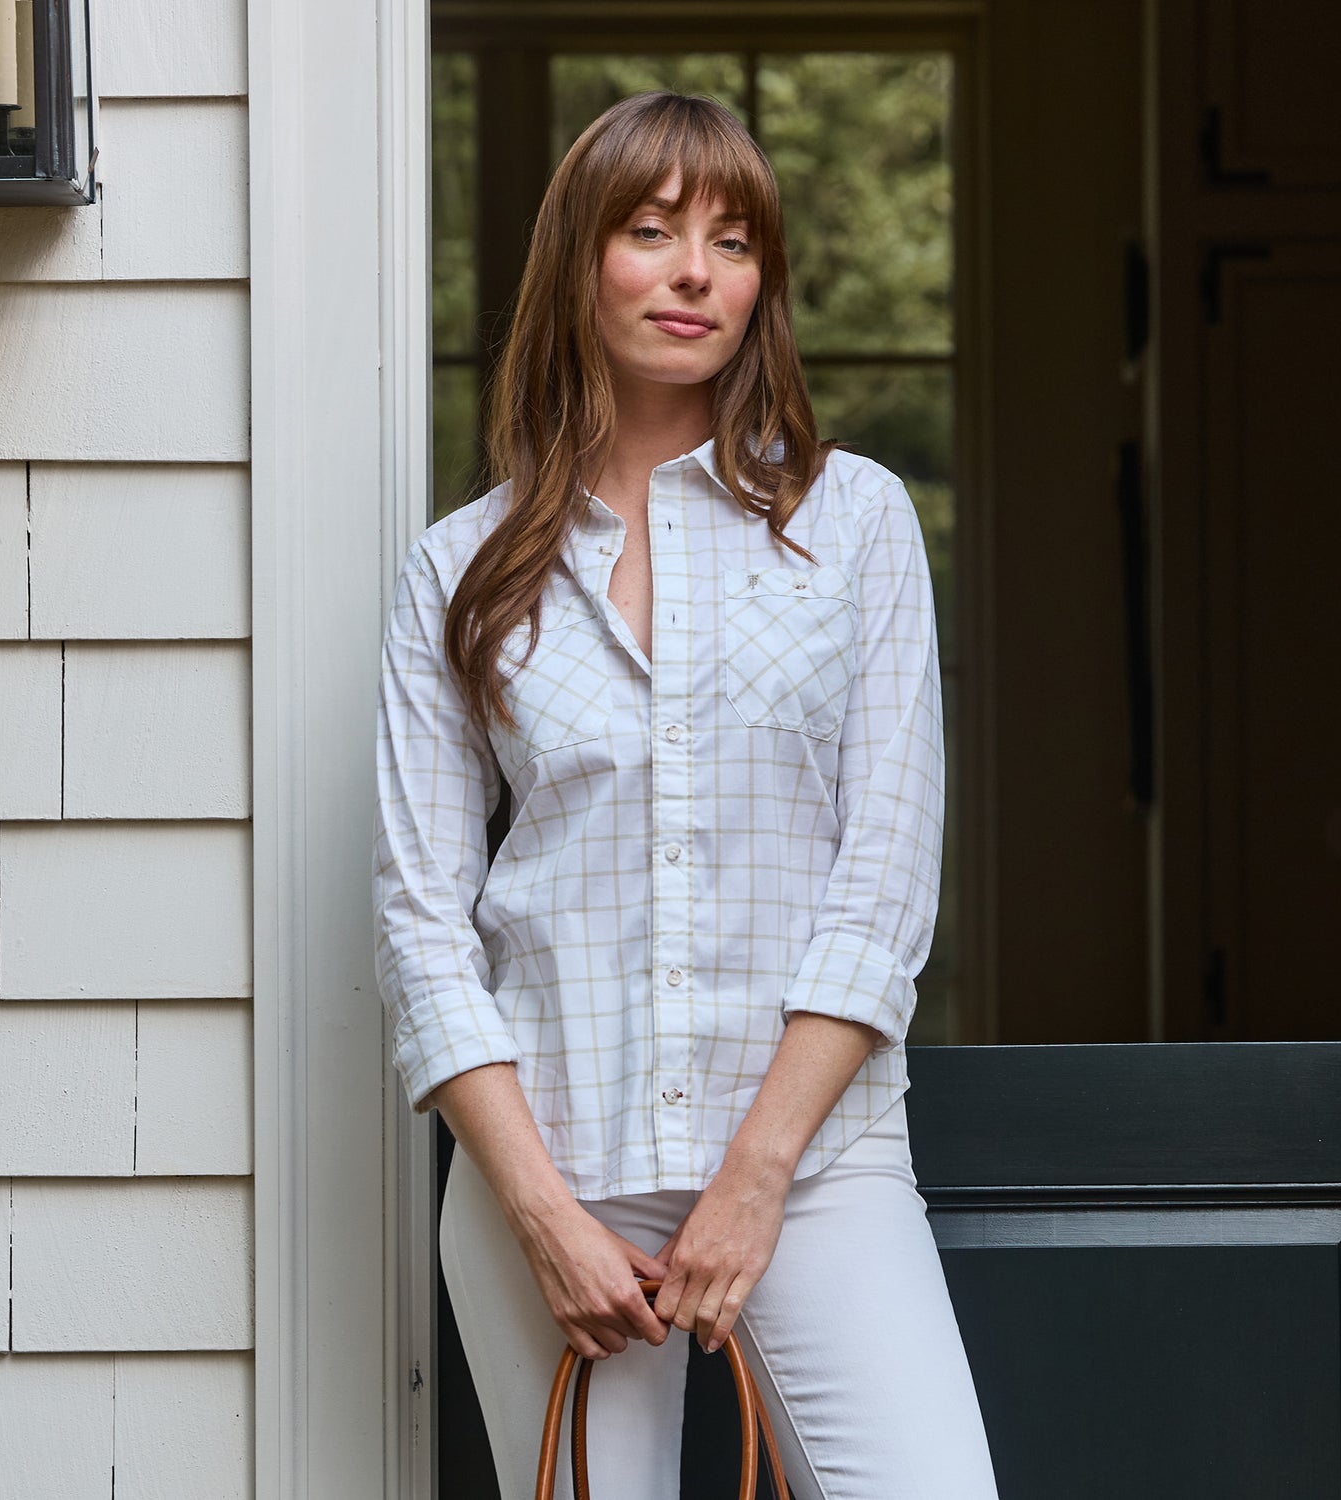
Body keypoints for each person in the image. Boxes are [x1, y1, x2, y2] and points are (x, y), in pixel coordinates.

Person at [374, 90, 1000, 1500]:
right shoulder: (462, 571)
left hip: (812, 1158)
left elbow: (884, 883)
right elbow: (421, 923)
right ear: (581, 262)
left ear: (763, 280)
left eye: (731, 239)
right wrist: (538, 1212)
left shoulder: (855, 524)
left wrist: (755, 1178)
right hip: (556, 1167)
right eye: (651, 232)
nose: (694, 271)